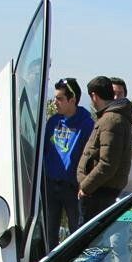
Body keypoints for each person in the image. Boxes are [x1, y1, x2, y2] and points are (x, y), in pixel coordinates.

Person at [42, 78, 94, 250]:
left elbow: (91, 156)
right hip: (50, 185)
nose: (55, 102)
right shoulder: (52, 122)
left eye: (60, 98)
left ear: (72, 100)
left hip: (73, 187)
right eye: (55, 97)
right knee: (49, 232)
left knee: (76, 231)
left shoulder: (86, 124)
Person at [77, 76, 132, 223]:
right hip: (98, 191)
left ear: (94, 96)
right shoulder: (112, 118)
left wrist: (86, 187)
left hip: (99, 194)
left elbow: (107, 163)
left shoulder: (111, 120)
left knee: (89, 241)